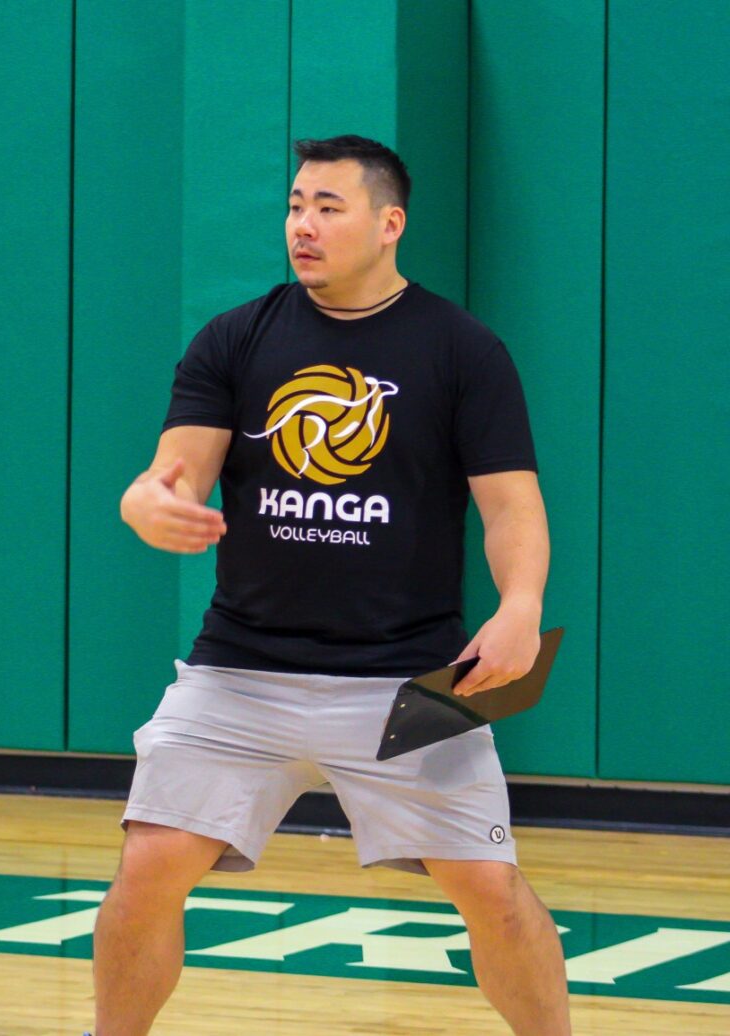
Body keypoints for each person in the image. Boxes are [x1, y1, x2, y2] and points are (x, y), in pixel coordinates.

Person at [90, 135, 572, 1036]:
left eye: (328, 207)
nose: (302, 227)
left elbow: (511, 508)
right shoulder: (235, 338)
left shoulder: (464, 350)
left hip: (410, 682)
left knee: (491, 890)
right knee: (148, 865)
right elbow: (174, 475)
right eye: (294, 206)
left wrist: (521, 607)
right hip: (240, 671)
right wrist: (146, 504)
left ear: (389, 224)